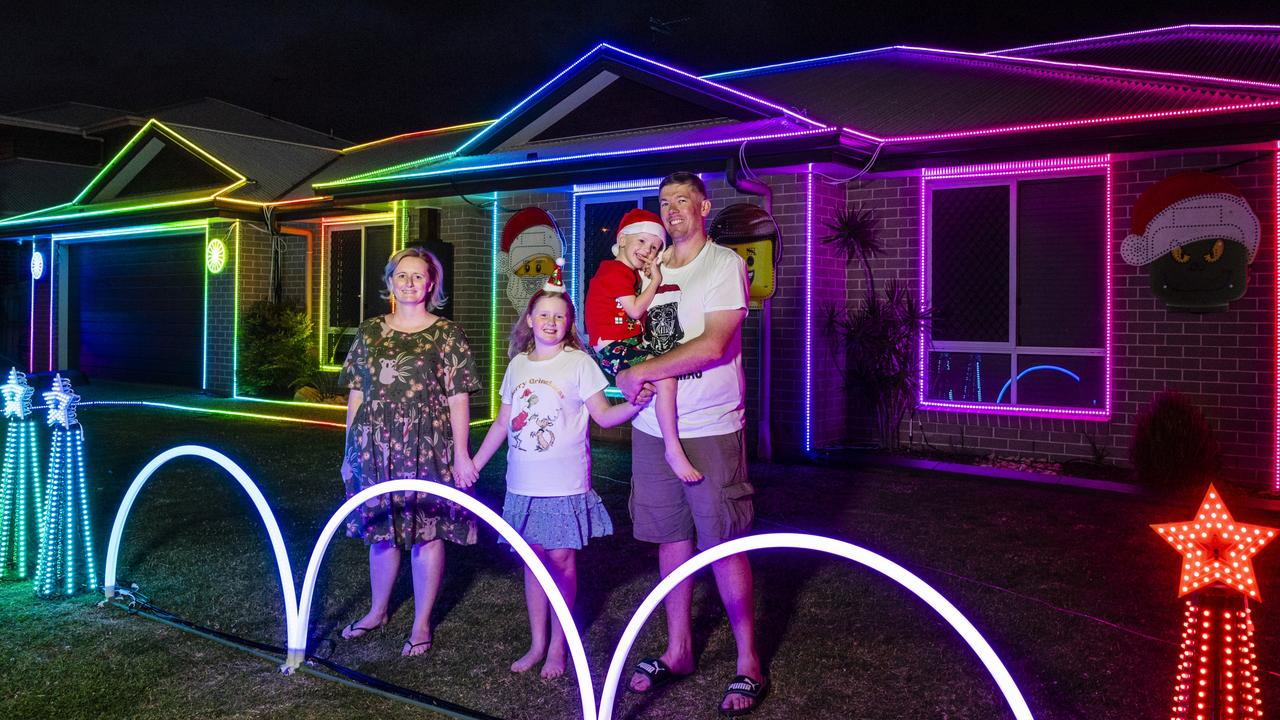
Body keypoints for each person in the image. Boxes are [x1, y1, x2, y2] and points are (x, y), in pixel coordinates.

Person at [615, 172, 766, 716]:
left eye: (682, 199)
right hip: (653, 429)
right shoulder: (648, 271)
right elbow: (627, 328)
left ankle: (748, 661)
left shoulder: (723, 265)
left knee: (722, 540)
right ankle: (678, 650)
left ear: (703, 206)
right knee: (671, 538)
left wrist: (640, 370)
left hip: (711, 427)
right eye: (664, 202)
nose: (673, 209)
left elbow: (714, 344)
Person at [473, 260, 653, 679]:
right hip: (523, 486)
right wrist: (477, 463)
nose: (551, 322)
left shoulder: (578, 363)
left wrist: (637, 404)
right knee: (534, 564)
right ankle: (537, 642)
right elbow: (503, 422)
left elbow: (604, 416)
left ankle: (560, 645)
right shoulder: (518, 365)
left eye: (560, 316)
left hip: (564, 485)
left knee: (561, 563)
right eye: (544, 315)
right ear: (530, 320)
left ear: (568, 323)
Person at [338, 246, 481, 657]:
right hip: (375, 446)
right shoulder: (369, 332)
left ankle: (420, 623)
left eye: (418, 276)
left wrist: (461, 454)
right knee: (381, 530)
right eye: (402, 275)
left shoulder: (448, 333)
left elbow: (457, 397)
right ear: (389, 282)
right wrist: (350, 450)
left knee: (426, 531)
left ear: (431, 283)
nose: (410, 282)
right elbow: (357, 392)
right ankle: (378, 610)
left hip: (427, 444)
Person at [585, 208, 702, 483]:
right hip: (615, 347)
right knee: (667, 378)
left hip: (620, 345)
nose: (646, 250)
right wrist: (657, 280)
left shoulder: (629, 274)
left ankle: (659, 430)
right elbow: (636, 310)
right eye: (641, 241)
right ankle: (673, 449)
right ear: (622, 240)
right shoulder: (615, 271)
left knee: (654, 385)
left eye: (653, 247)